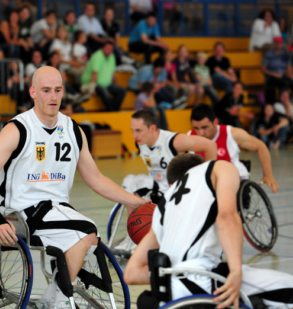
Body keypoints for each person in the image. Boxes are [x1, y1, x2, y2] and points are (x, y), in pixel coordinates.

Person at [0, 66, 148, 309]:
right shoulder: (17, 129)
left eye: (57, 90)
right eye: (46, 90)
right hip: (18, 211)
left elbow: (95, 178)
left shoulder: (73, 130)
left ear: (63, 91)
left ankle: (54, 296)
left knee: (89, 235)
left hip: (54, 209)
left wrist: (134, 202)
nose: (53, 97)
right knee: (87, 230)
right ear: (33, 92)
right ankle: (57, 300)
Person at [125, 153, 293, 309]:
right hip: (203, 282)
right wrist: (235, 271)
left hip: (165, 294)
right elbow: (226, 217)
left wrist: (173, 275)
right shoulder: (220, 167)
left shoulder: (163, 204)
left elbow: (131, 274)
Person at [114, 109, 217, 254]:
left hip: (177, 188)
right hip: (157, 187)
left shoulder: (174, 141)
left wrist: (211, 181)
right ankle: (134, 236)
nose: (134, 136)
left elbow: (210, 146)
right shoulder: (140, 142)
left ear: (153, 128)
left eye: (138, 130)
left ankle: (146, 238)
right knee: (130, 180)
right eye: (132, 130)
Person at [189, 103, 279, 191]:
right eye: (196, 128)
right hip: (208, 180)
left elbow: (260, 146)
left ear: (215, 122)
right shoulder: (189, 138)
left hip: (235, 177)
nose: (201, 133)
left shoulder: (232, 134)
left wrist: (268, 175)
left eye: (205, 127)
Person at [81, 41, 126, 111]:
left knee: (122, 91)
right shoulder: (97, 56)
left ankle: (113, 110)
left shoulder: (112, 56)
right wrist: (91, 89)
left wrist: (115, 85)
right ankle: (112, 111)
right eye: (108, 48)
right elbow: (94, 74)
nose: (109, 51)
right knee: (105, 92)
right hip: (94, 83)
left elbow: (113, 73)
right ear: (103, 48)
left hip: (106, 84)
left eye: (111, 49)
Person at [261, 36, 293, 104]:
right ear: (274, 44)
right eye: (277, 43)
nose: (278, 45)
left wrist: (290, 76)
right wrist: (275, 74)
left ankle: (290, 101)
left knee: (290, 81)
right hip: (271, 77)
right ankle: (282, 102)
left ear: (282, 44)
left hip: (282, 76)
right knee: (285, 83)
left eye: (279, 43)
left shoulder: (285, 54)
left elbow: (289, 67)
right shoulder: (268, 54)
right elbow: (263, 69)